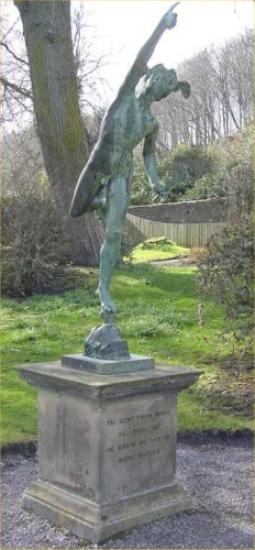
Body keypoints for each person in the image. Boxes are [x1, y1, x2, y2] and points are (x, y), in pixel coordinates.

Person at [70, 3, 190, 315]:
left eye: (164, 86)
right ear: (146, 77)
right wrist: (162, 27)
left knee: (113, 233)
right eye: (157, 79)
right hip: (98, 170)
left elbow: (149, 155)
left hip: (122, 173)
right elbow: (142, 54)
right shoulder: (124, 97)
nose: (158, 86)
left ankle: (103, 288)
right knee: (75, 209)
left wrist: (155, 181)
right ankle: (98, 200)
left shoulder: (151, 122)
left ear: (162, 94)